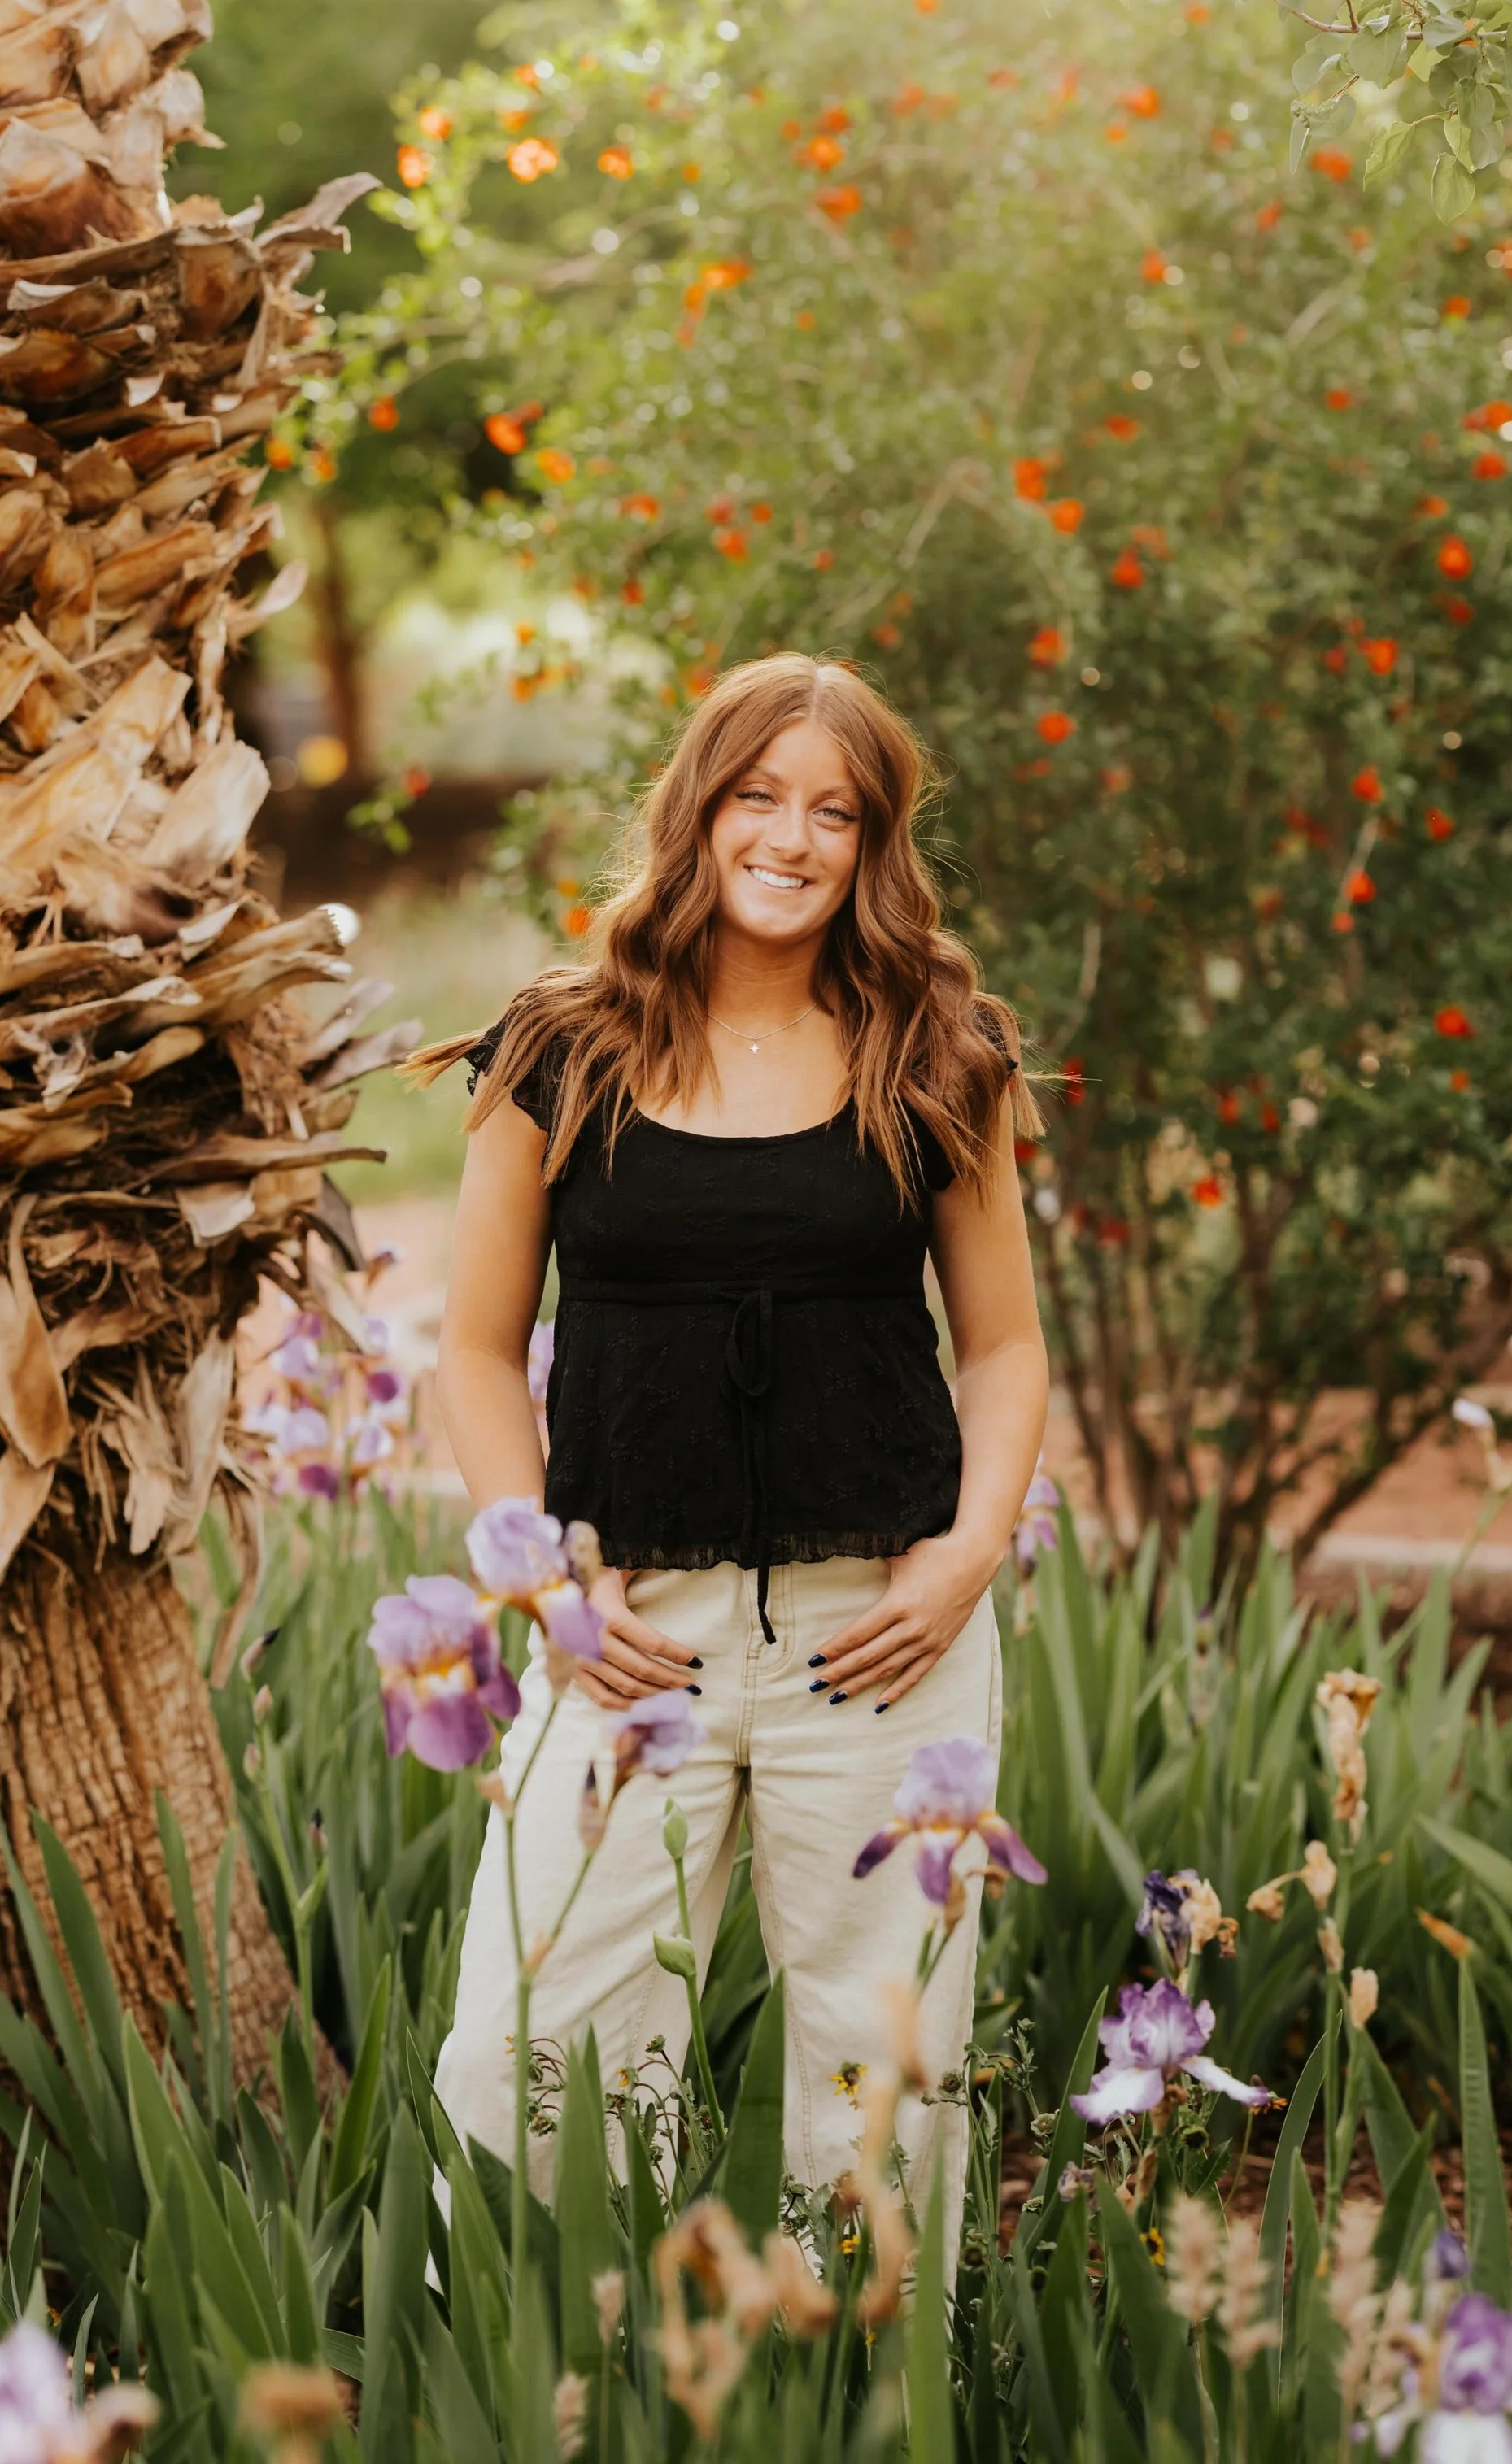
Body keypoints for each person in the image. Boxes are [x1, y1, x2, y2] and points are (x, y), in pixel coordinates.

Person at [414, 652, 1048, 2253]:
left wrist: (969, 1550)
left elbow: (1003, 1343)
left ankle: (846, 2388)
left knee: (877, 2074)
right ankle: (536, 2379)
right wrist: (544, 1578)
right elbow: (476, 1350)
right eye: (757, 795)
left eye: (832, 810)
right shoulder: (559, 1044)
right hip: (621, 1632)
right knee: (526, 2044)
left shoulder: (941, 1044)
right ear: (696, 808)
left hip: (884, 1629)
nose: (790, 836)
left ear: (871, 844)